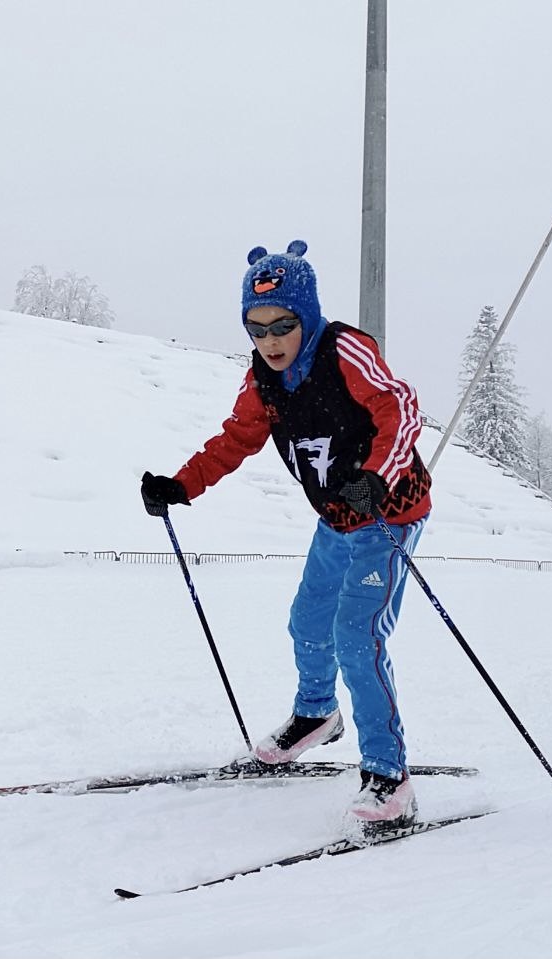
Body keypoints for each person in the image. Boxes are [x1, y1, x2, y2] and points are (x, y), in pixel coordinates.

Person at [140, 240, 432, 840]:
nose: (270, 341)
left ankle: (389, 778)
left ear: (309, 315)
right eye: (256, 328)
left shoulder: (345, 351)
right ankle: (317, 715)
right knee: (307, 622)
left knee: (357, 635)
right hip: (334, 519)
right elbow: (236, 439)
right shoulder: (264, 381)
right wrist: (181, 484)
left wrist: (376, 479)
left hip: (387, 516)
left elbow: (400, 408)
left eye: (283, 325)